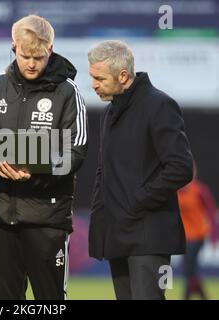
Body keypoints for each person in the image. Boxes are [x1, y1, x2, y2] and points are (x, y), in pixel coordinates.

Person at [0, 14, 88, 300]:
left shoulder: (67, 92)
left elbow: (76, 151)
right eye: (25, 55)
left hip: (46, 219)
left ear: (50, 51)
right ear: (14, 46)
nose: (32, 63)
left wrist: (37, 169)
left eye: (39, 57)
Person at [87, 40, 194, 300]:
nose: (94, 85)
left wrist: (136, 201)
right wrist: (101, 214)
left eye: (99, 78)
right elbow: (104, 170)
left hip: (150, 235)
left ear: (123, 76)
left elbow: (181, 167)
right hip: (117, 233)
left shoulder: (159, 105)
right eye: (92, 77)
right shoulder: (109, 113)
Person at [178, 163, 218, 299]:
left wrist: (214, 236)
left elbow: (212, 213)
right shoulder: (177, 193)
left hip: (198, 235)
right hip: (184, 238)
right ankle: (203, 296)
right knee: (191, 270)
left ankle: (186, 297)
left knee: (189, 269)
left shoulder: (200, 190)